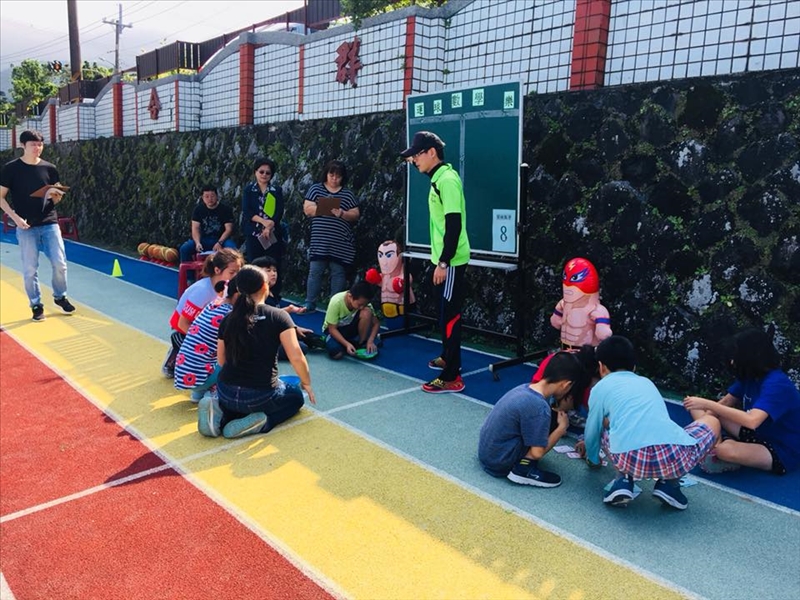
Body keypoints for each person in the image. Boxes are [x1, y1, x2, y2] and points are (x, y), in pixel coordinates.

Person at [584, 336, 722, 510]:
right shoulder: (647, 382)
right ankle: (669, 484)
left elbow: (592, 430)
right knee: (712, 421)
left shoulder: (599, 388)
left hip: (629, 458)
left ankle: (622, 481)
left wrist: (593, 459)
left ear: (601, 367)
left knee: (605, 427)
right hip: (671, 456)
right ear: (634, 367)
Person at [197, 265, 316, 439]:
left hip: (226, 392)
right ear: (264, 287)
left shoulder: (228, 319)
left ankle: (222, 416)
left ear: (239, 289)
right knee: (296, 397)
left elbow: (221, 361)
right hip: (259, 396)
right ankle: (265, 421)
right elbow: (296, 356)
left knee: (239, 402)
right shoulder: (278, 316)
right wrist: (306, 383)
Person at [401, 131, 470, 393]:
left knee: (451, 316)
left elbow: (454, 225)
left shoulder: (447, 181)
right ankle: (447, 355)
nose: (414, 160)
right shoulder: (438, 178)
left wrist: (443, 263)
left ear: (432, 152)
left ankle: (452, 376)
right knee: (444, 312)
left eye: (417, 155)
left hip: (450, 262)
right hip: (443, 259)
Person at [683, 327, 800, 475]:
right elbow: (725, 403)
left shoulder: (777, 384)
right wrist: (706, 422)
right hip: (757, 433)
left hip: (781, 448)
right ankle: (713, 444)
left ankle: (717, 447)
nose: (732, 361)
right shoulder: (751, 376)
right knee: (696, 407)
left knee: (725, 450)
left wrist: (707, 405)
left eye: (736, 356)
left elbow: (752, 421)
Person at [478, 351, 592, 487]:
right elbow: (537, 453)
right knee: (543, 438)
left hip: (486, 453)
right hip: (500, 462)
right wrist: (562, 428)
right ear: (566, 385)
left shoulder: (524, 388)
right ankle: (523, 470)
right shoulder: (539, 407)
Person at [0, 129, 75, 321]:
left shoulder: (50, 168)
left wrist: (56, 196)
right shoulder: (11, 169)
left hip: (49, 223)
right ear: (23, 146)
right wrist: (15, 217)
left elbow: (56, 196)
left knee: (60, 263)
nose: (37, 148)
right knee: (30, 269)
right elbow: (0, 197)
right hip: (25, 226)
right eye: (33, 144)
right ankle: (36, 304)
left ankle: (60, 296)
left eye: (40, 144)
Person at [162, 248, 243, 377]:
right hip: (186, 327)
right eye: (232, 272)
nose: (236, 276)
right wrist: (206, 342)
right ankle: (177, 348)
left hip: (207, 327)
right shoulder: (202, 291)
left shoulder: (230, 288)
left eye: (239, 272)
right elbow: (182, 323)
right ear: (217, 270)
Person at [303, 160, 360, 311]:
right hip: (319, 240)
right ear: (326, 174)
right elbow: (307, 208)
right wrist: (324, 207)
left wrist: (342, 213)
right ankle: (310, 302)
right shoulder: (316, 189)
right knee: (315, 271)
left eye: (338, 176)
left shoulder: (347, 194)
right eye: (331, 174)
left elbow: (355, 214)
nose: (334, 178)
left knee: (338, 273)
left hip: (340, 242)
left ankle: (334, 306)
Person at [174, 276, 239, 402]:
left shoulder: (213, 305)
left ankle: (198, 393)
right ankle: (213, 394)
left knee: (208, 355)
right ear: (237, 295)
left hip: (184, 373)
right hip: (201, 377)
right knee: (233, 359)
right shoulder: (229, 315)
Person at [251, 255, 326, 356]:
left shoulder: (273, 293)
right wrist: (289, 310)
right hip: (263, 336)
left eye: (275, 270)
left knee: (310, 336)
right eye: (268, 270)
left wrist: (295, 327)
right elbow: (267, 317)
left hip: (275, 331)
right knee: (301, 348)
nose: (273, 273)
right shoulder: (257, 295)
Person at [242, 158, 286, 296]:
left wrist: (269, 226)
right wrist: (263, 222)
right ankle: (253, 293)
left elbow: (279, 211)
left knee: (274, 264)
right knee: (254, 264)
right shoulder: (249, 190)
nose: (264, 175)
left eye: (268, 173)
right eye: (261, 172)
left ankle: (274, 295)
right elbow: (247, 211)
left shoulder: (276, 191)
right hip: (254, 233)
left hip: (272, 233)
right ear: (255, 172)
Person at [550, 257, 612, 348]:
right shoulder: (563, 303)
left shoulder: (596, 309)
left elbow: (604, 335)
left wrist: (601, 324)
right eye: (565, 277)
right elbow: (555, 322)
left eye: (574, 278)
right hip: (565, 347)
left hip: (586, 351)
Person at [178, 185, 237, 263]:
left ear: (217, 196)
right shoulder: (198, 210)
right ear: (202, 198)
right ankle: (189, 270)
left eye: (212, 196)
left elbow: (228, 229)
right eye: (207, 196)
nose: (210, 199)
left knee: (232, 249)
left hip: (221, 239)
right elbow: (195, 228)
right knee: (185, 248)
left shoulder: (226, 209)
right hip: (203, 239)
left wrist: (219, 242)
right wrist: (197, 242)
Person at [323, 280, 380, 360]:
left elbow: (376, 324)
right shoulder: (336, 301)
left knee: (367, 312)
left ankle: (361, 343)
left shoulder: (364, 303)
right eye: (359, 305)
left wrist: (370, 341)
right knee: (336, 354)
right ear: (350, 296)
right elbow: (332, 329)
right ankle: (333, 340)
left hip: (350, 328)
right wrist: (347, 344)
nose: (362, 307)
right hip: (335, 330)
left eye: (364, 305)